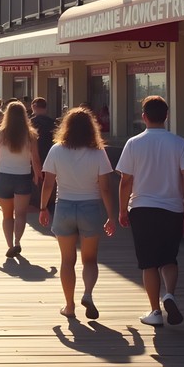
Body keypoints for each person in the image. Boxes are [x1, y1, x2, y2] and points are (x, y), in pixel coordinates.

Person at [117, 95, 184, 327]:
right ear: (166, 116)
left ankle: (155, 311)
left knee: (148, 263)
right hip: (172, 208)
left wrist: (122, 209)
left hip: (142, 209)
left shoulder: (134, 143)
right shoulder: (179, 143)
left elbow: (125, 180)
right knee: (169, 258)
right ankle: (169, 294)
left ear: (144, 117)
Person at [39, 108, 116, 319]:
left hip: (63, 206)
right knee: (90, 260)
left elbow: (48, 184)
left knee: (67, 261)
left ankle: (69, 306)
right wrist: (111, 215)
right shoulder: (98, 152)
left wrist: (43, 207)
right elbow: (106, 188)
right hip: (90, 208)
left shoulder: (56, 150)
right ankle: (88, 294)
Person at [0, 102, 42, 258]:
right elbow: (36, 159)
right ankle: (17, 241)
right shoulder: (30, 135)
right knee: (20, 214)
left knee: (6, 215)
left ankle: (9, 244)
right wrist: (38, 174)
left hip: (4, 176)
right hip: (23, 177)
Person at [29, 97, 57, 214]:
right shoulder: (54, 123)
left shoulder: (30, 122)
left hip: (33, 155)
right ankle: (49, 202)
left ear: (34, 107)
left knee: (35, 180)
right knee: (51, 180)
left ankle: (37, 203)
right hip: (50, 154)